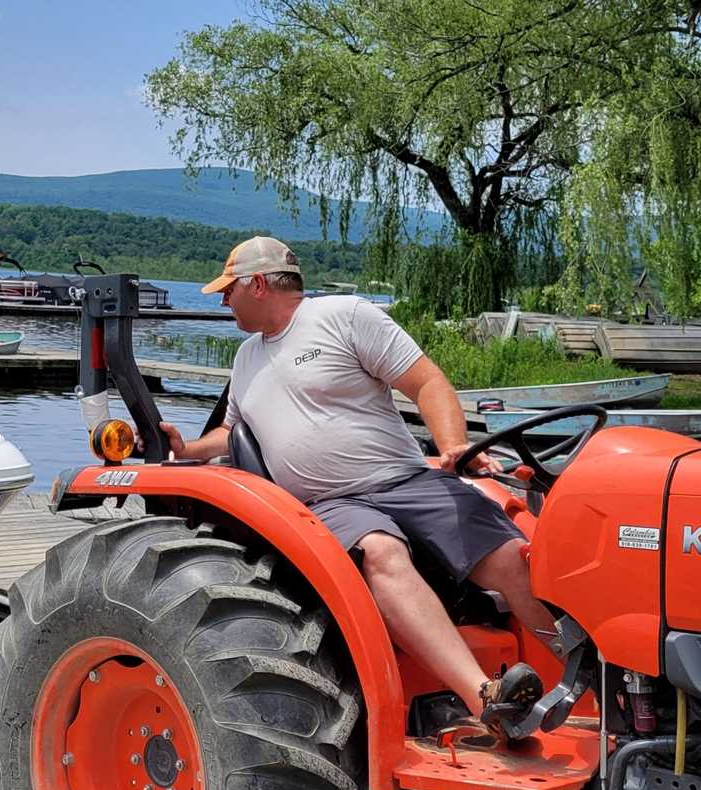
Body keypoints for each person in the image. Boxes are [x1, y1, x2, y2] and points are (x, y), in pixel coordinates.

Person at [159, 236, 556, 736]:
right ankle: (486, 698)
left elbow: (427, 383)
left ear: (257, 284)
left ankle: (591, 685)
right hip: (328, 503)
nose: (222, 300)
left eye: (227, 289)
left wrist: (453, 444)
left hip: (406, 479)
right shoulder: (246, 358)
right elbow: (231, 431)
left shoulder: (344, 316)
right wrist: (186, 449)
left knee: (512, 557)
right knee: (381, 551)